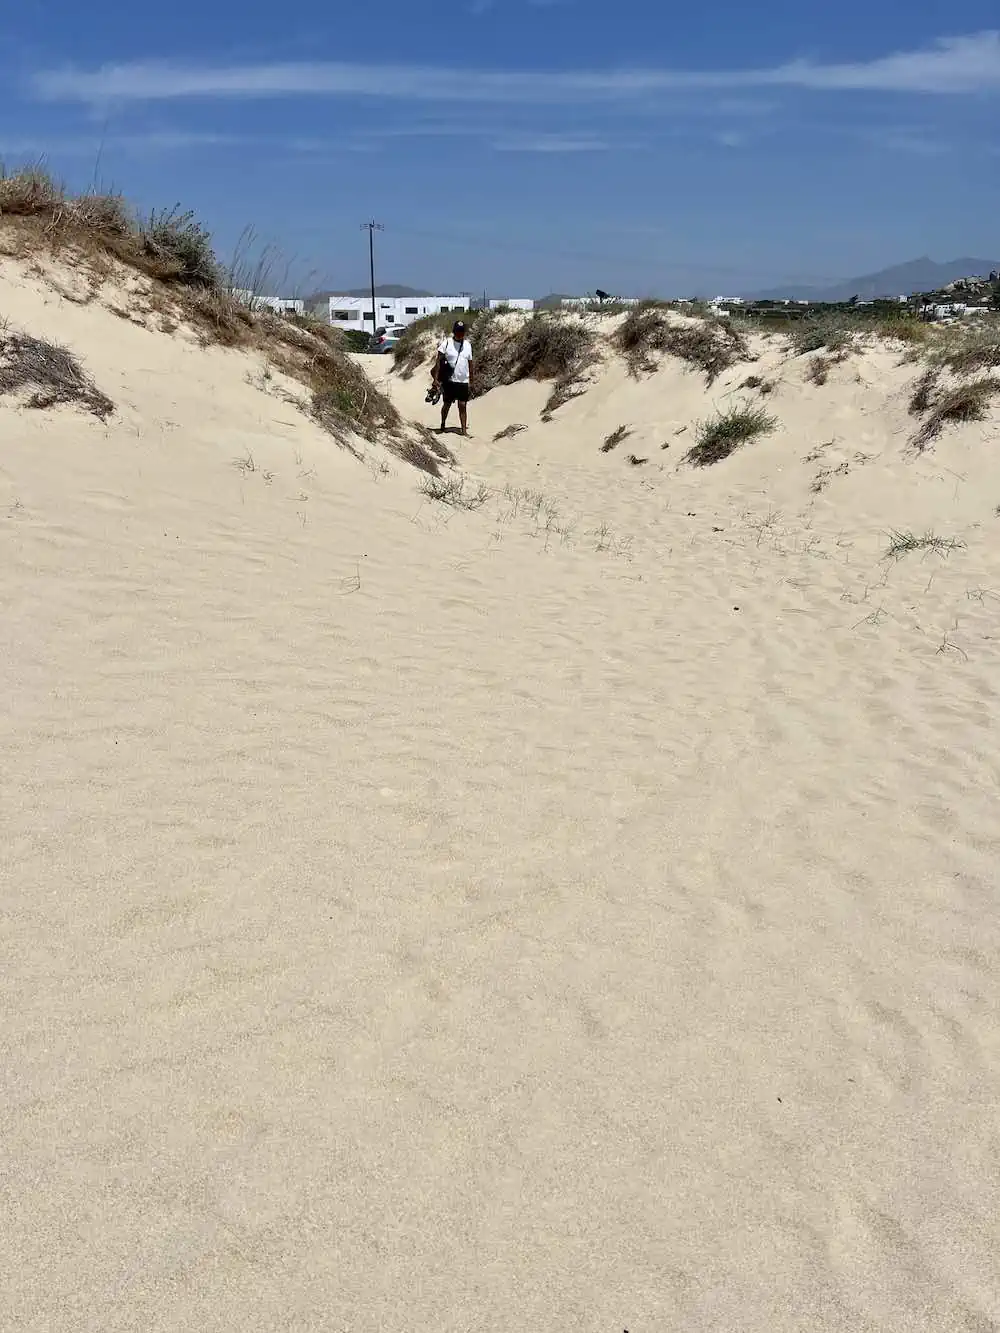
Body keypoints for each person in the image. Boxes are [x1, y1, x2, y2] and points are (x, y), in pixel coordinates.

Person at [432, 320, 473, 435]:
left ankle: (464, 431)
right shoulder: (447, 343)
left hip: (463, 381)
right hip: (449, 381)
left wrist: (472, 381)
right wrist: (435, 379)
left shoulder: (468, 345)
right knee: (447, 404)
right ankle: (443, 424)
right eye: (457, 331)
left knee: (462, 405)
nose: (460, 334)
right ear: (454, 331)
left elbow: (470, 364)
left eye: (462, 332)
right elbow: (438, 362)